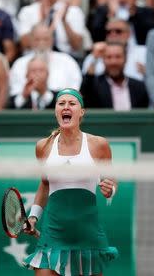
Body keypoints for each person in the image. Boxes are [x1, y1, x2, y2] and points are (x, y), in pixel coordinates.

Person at [23, 88, 118, 275]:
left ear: (81, 112)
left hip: (88, 235)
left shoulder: (99, 144)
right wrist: (33, 217)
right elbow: (44, 185)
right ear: (56, 111)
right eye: (61, 103)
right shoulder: (43, 147)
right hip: (52, 233)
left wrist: (111, 189)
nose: (66, 107)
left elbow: (111, 179)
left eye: (72, 103)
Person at [9, 24, 82, 97]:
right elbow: (15, 95)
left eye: (46, 39)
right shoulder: (19, 64)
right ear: (30, 41)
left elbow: (74, 91)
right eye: (37, 39)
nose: (41, 43)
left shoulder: (67, 61)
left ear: (52, 40)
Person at [81, 42, 149, 110]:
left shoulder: (139, 87)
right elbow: (83, 96)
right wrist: (95, 58)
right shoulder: (95, 85)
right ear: (103, 60)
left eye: (118, 57)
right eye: (109, 57)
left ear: (125, 59)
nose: (113, 62)